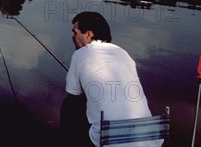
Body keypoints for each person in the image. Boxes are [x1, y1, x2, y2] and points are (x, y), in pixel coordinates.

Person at [64, 11, 160, 147]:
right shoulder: (123, 53)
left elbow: (73, 94)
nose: (73, 37)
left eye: (75, 32)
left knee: (69, 105)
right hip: (151, 139)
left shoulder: (79, 55)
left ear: (89, 34)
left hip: (110, 141)